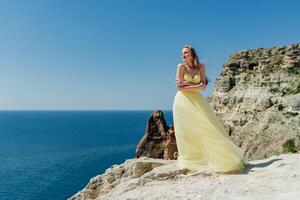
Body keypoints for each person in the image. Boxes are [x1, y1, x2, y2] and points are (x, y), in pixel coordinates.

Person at [172, 45, 248, 174]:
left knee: (207, 127)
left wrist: (189, 85)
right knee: (186, 131)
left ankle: (216, 159)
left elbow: (203, 88)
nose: (183, 55)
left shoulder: (201, 67)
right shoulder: (181, 67)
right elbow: (180, 87)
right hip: (182, 102)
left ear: (191, 54)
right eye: (182, 53)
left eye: (185, 53)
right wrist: (196, 85)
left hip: (197, 100)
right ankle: (191, 160)